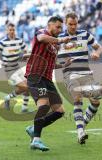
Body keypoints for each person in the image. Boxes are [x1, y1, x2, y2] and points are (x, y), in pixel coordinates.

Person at [25, 16, 72, 151]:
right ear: (49, 25)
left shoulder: (55, 45)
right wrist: (60, 40)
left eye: (61, 28)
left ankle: (33, 128)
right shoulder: (42, 33)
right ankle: (36, 140)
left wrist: (63, 64)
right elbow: (41, 39)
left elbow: (52, 64)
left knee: (59, 111)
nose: (60, 30)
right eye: (57, 27)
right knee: (44, 105)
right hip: (35, 76)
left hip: (47, 78)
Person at [58, 12, 102, 144]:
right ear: (65, 24)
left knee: (96, 101)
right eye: (70, 24)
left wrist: (96, 52)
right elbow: (51, 56)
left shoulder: (85, 34)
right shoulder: (59, 38)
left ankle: (82, 124)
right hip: (69, 74)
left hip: (86, 74)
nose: (73, 26)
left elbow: (98, 47)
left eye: (75, 24)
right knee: (77, 98)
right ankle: (80, 132)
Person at [0, 23, 30, 112]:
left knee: (28, 86)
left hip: (17, 68)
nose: (12, 31)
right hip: (9, 70)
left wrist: (27, 57)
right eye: (10, 30)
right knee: (25, 87)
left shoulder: (19, 41)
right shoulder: (3, 42)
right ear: (7, 31)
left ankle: (24, 108)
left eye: (13, 30)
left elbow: (26, 50)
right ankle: (8, 97)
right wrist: (0, 61)